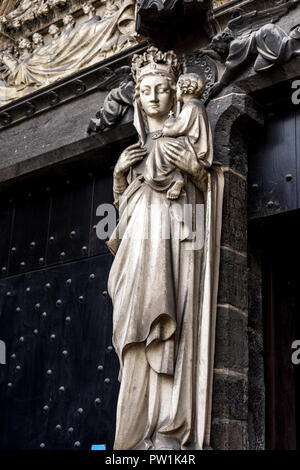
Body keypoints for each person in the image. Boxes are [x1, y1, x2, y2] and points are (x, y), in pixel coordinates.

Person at [107, 47, 224, 450]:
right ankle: (134, 436)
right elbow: (121, 215)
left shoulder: (185, 136)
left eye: (161, 89)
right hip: (134, 253)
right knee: (133, 336)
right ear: (137, 98)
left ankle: (168, 428)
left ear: (174, 94)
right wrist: (121, 176)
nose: (153, 96)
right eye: (145, 90)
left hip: (173, 246)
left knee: (169, 326)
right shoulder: (133, 152)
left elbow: (206, 192)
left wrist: (190, 169)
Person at [141, 72, 207, 200]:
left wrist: (166, 128)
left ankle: (160, 178)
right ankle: (167, 177)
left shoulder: (192, 105)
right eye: (146, 91)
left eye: (176, 89)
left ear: (183, 89)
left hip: (191, 146)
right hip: (187, 143)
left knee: (161, 144)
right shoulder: (193, 105)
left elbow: (179, 127)